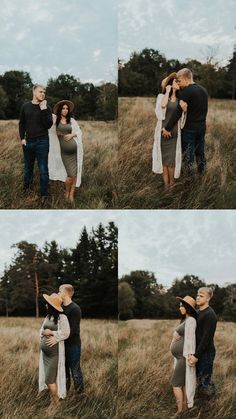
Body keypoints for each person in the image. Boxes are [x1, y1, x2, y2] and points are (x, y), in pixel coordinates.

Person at [162, 68, 208, 176]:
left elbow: (178, 112)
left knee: (188, 156)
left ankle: (189, 183)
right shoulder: (203, 90)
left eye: (179, 80)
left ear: (185, 78)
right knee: (200, 154)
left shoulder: (187, 91)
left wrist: (167, 128)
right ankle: (203, 176)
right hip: (201, 128)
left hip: (189, 129)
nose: (178, 83)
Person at [46, 284, 84, 396]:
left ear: (66, 293)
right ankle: (64, 393)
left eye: (59, 291)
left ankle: (80, 395)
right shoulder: (60, 307)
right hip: (62, 345)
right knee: (64, 371)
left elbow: (73, 330)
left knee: (75, 371)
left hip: (73, 345)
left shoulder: (75, 309)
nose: (58, 293)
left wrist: (56, 337)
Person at [152, 72, 187, 188]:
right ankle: (166, 187)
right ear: (170, 83)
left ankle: (172, 184)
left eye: (178, 81)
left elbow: (183, 115)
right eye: (175, 81)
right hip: (162, 131)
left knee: (171, 162)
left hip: (174, 132)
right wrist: (168, 91)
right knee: (164, 162)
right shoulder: (161, 96)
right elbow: (162, 106)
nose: (177, 83)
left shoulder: (180, 99)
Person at [19, 84, 53, 201]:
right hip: (28, 142)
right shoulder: (25, 106)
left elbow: (48, 125)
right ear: (34, 92)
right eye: (40, 92)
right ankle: (26, 191)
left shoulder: (47, 107)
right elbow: (21, 123)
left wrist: (43, 109)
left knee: (43, 169)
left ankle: (44, 195)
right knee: (28, 168)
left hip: (42, 142)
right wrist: (22, 138)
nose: (43, 94)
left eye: (44, 92)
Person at [39, 293, 70, 412]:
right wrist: (44, 332)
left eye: (47, 303)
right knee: (48, 378)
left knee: (49, 379)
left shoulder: (62, 318)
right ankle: (53, 401)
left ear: (51, 305)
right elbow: (41, 330)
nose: (46, 305)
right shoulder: (47, 317)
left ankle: (56, 404)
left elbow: (66, 333)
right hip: (45, 354)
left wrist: (52, 334)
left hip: (54, 354)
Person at [48, 100, 83, 204]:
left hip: (74, 151)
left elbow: (79, 131)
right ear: (59, 110)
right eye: (63, 108)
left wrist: (72, 135)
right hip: (64, 152)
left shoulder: (71, 120)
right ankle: (67, 192)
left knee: (75, 174)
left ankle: (71, 195)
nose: (65, 110)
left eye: (67, 108)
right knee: (70, 174)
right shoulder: (55, 120)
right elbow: (46, 116)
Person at [170, 296, 197, 418]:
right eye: (180, 305)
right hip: (180, 357)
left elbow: (191, 340)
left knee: (175, 384)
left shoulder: (191, 320)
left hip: (183, 357)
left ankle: (179, 412)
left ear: (188, 308)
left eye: (182, 305)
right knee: (184, 383)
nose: (179, 307)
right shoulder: (185, 320)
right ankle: (184, 408)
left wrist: (190, 357)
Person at [188, 287, 217, 401]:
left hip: (206, 353)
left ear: (208, 298)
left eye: (201, 296)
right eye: (197, 295)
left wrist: (196, 356)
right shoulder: (198, 312)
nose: (198, 297)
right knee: (199, 380)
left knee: (205, 381)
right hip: (197, 351)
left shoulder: (210, 314)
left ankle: (211, 405)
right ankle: (201, 402)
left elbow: (206, 339)